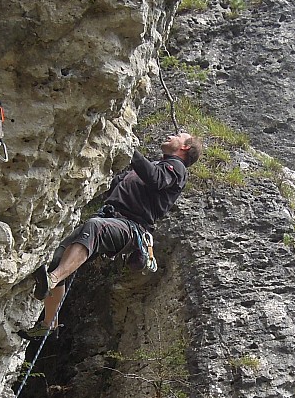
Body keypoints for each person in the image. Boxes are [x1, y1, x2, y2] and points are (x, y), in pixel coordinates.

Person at [31, 131, 201, 332]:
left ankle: (52, 280)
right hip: (112, 219)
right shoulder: (149, 168)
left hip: (131, 227)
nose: (169, 135)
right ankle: (48, 324)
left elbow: (156, 179)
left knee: (95, 227)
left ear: (185, 147)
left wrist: (130, 150)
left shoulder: (177, 169)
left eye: (177, 135)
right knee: (58, 256)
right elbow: (114, 182)